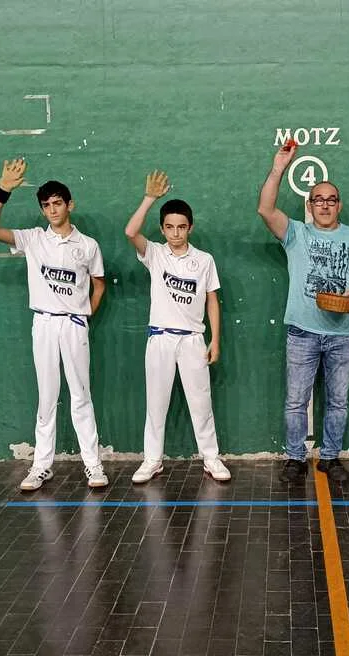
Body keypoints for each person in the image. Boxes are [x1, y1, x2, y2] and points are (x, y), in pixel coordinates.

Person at [0, 158, 109, 491]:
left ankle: (93, 465)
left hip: (74, 326)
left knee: (81, 395)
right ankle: (41, 467)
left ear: (70, 205)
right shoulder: (33, 239)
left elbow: (99, 284)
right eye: (46, 205)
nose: (52, 210)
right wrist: (3, 191)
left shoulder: (88, 245)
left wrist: (84, 315)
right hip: (44, 324)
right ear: (42, 209)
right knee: (47, 396)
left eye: (57, 203)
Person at [257, 145, 349, 484]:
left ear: (339, 205)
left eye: (331, 200)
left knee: (338, 402)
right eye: (318, 200)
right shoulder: (296, 233)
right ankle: (295, 458)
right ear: (309, 206)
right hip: (302, 332)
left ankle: (330, 457)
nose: (325, 205)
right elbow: (265, 209)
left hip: (343, 335)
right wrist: (279, 167)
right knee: (296, 401)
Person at [124, 171, 230, 484]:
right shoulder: (155, 254)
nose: (175, 232)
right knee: (156, 404)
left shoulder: (205, 260)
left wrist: (215, 340)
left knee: (201, 403)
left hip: (193, 341)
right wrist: (149, 198)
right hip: (159, 339)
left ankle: (211, 458)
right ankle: (152, 460)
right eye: (169, 227)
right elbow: (131, 231)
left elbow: (212, 301)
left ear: (190, 227)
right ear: (162, 229)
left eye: (181, 227)